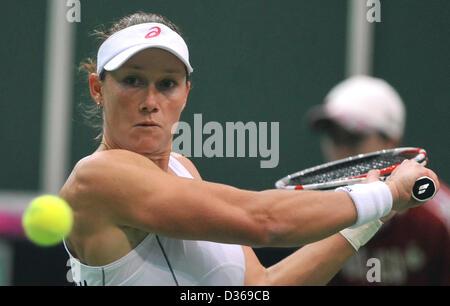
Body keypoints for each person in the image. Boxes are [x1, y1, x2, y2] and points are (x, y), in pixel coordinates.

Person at [61, 12, 439, 286]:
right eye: (132, 80)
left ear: (186, 92)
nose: (150, 100)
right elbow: (264, 221)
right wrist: (386, 194)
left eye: (167, 84)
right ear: (98, 88)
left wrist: (370, 219)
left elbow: (261, 288)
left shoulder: (182, 170)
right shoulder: (97, 179)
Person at [306, 75, 450, 285]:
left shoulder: (438, 220)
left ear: (391, 141)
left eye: (353, 138)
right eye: (334, 137)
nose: (341, 150)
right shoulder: (312, 217)